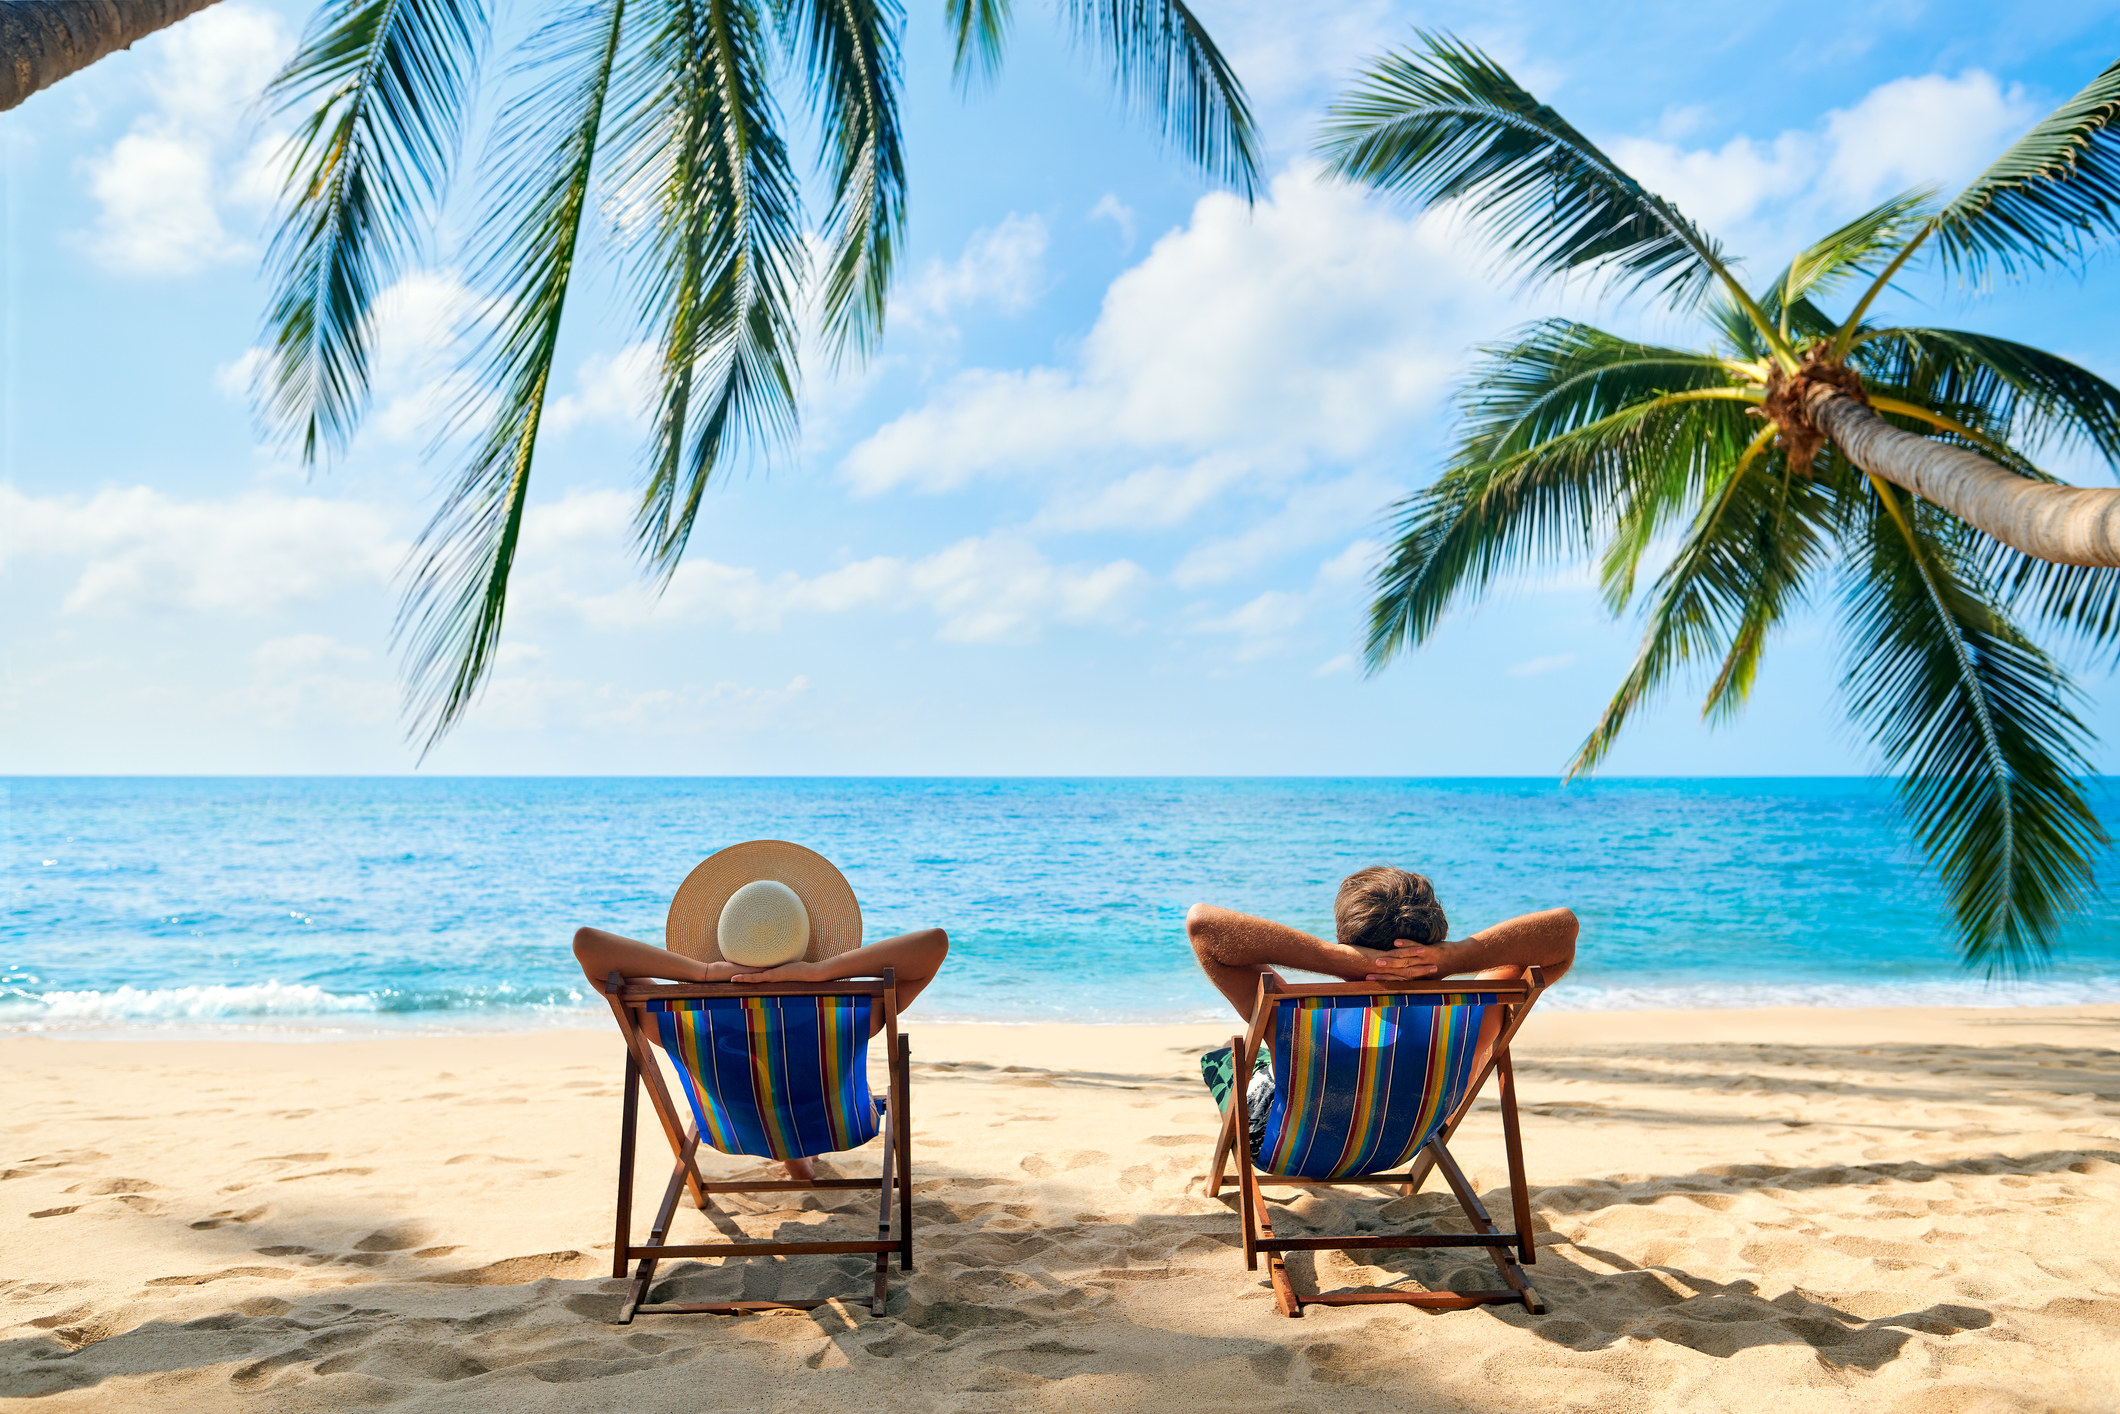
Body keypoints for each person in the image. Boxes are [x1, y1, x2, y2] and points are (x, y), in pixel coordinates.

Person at [1186, 867, 1575, 1155]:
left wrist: (1339, 962)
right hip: (1405, 1144)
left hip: (1287, 1151)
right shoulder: (1478, 1012)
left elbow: (1204, 925)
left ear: (1347, 940)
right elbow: (1562, 931)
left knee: (1227, 1054)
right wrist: (1455, 959)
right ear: (1437, 936)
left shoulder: (1300, 1019)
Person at [572, 923, 949, 1181]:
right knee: (802, 1081)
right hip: (839, 1125)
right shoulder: (849, 1013)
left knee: (761, 1082)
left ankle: (792, 1154)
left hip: (738, 1131)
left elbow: (588, 944)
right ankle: (800, 1150)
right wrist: (817, 973)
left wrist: (704, 974)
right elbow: (934, 943)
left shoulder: (678, 1021)